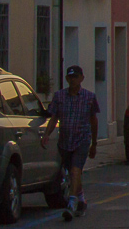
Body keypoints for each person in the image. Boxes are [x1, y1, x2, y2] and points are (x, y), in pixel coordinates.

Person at [40, 65, 99, 215]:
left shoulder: (89, 97)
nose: (73, 80)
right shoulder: (59, 96)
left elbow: (94, 121)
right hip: (65, 141)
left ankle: (72, 203)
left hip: (82, 139)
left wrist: (94, 144)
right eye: (70, 77)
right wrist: (46, 134)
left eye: (76, 77)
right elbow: (54, 118)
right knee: (71, 173)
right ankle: (82, 200)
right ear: (66, 78)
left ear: (81, 78)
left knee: (75, 170)